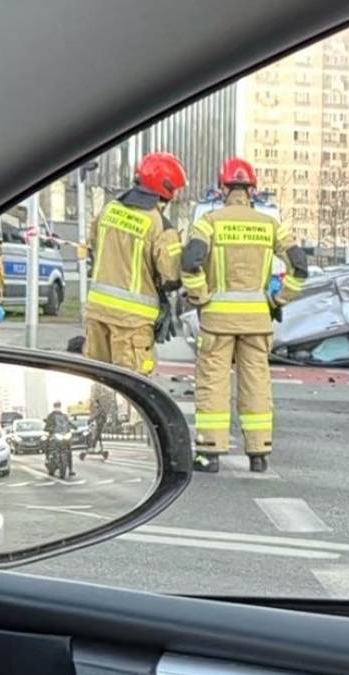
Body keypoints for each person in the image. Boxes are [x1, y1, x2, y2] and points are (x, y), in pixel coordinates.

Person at [183, 157, 308, 474]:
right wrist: (279, 299)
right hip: (257, 320)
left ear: (223, 187)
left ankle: (210, 454)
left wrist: (201, 297)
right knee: (256, 385)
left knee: (213, 384)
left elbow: (190, 263)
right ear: (252, 189)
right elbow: (300, 267)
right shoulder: (271, 226)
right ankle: (259, 453)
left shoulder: (208, 222)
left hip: (217, 321)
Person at [84, 152, 187, 375]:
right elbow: (171, 276)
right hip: (132, 322)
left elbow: (94, 245)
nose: (177, 195)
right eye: (176, 189)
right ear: (165, 187)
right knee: (132, 388)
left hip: (97, 313)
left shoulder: (109, 209)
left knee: (97, 382)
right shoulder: (159, 224)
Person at [43, 401, 76, 479]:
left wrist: (74, 427)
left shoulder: (64, 416)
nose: (57, 408)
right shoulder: (50, 416)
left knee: (69, 450)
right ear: (54, 407)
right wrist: (50, 429)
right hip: (54, 434)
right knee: (47, 443)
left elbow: (68, 423)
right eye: (56, 406)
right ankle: (48, 459)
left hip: (64, 435)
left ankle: (70, 469)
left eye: (59, 406)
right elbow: (46, 427)